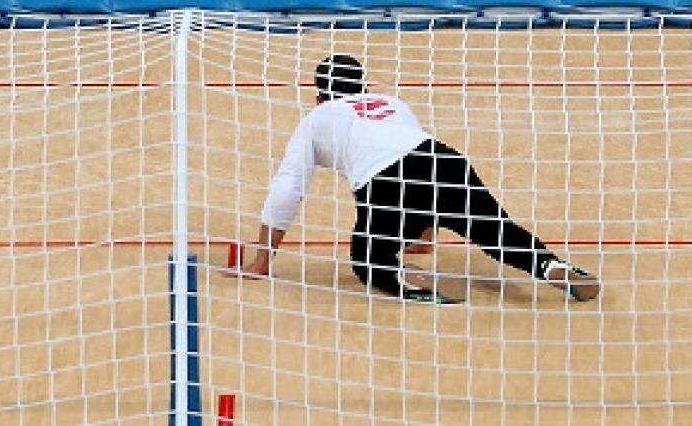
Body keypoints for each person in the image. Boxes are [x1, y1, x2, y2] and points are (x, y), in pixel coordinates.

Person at [239, 54, 600, 303]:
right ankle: (551, 265)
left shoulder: (317, 119)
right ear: (364, 86)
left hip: (385, 181)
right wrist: (424, 238)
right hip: (443, 160)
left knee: (367, 259)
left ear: (319, 95)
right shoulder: (393, 103)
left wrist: (262, 261)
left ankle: (407, 278)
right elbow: (422, 174)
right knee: (497, 232)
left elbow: (288, 189)